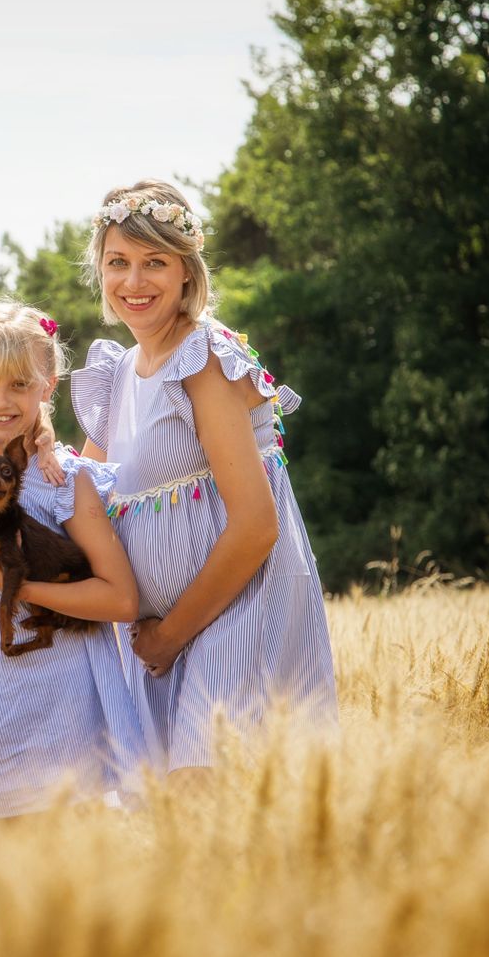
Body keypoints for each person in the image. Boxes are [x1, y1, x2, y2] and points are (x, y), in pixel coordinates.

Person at [69, 180, 338, 786]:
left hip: (237, 608)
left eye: (154, 262)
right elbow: (78, 502)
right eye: (118, 262)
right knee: (165, 814)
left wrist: (170, 636)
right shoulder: (117, 374)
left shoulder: (204, 360)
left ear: (187, 271)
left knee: (204, 790)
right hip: (155, 633)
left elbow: (256, 526)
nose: (133, 281)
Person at [0, 302, 146, 820]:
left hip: (58, 709)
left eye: (19, 385)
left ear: (47, 386)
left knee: (64, 862)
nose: (0, 401)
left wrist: (14, 585)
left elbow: (120, 599)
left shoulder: (63, 481)